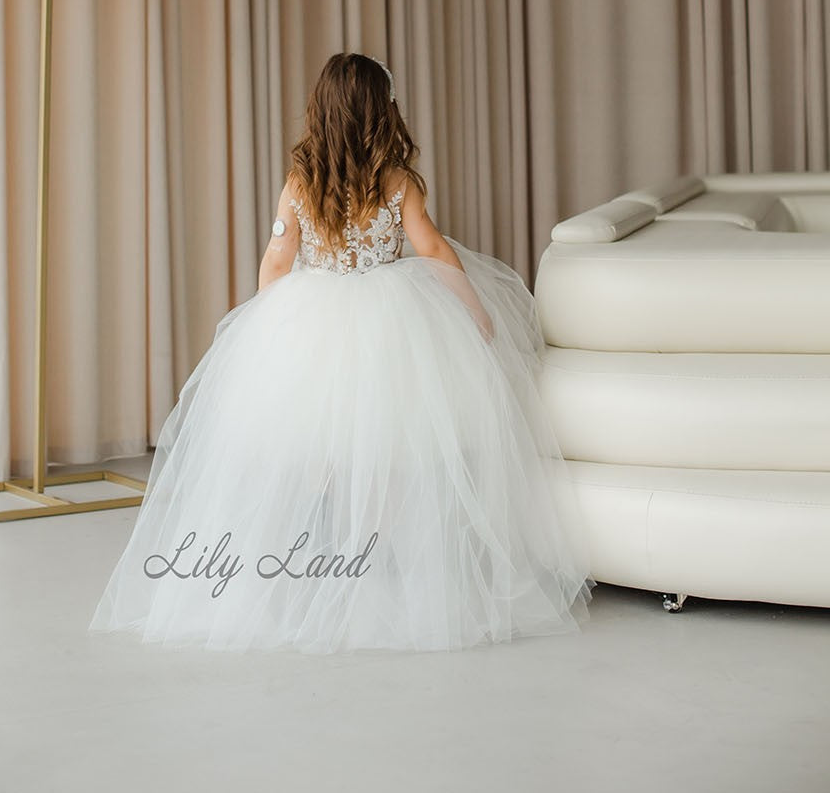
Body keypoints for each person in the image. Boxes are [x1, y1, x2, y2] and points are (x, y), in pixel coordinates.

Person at [88, 52, 595, 653]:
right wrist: (471, 307)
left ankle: (320, 563)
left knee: (315, 450)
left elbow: (279, 257)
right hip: (391, 324)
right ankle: (381, 561)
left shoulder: (302, 179)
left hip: (315, 319)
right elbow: (430, 248)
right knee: (389, 446)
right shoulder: (398, 178)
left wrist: (265, 323)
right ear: (383, 110)